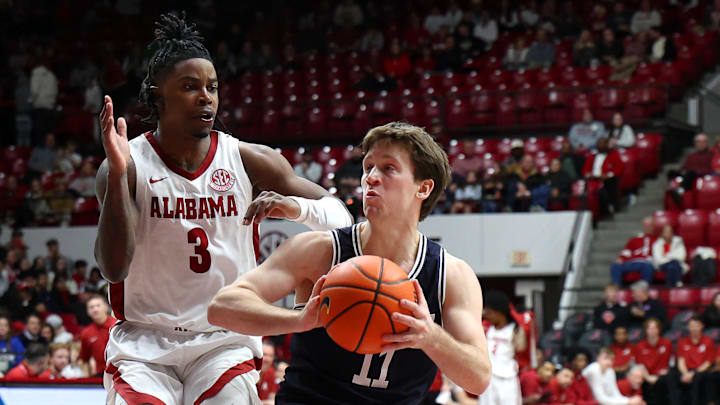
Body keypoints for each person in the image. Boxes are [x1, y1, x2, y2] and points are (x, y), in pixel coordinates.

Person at [96, 12, 353, 405]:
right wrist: (116, 176)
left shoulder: (248, 160)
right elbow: (114, 268)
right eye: (189, 86)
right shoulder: (128, 164)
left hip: (224, 338)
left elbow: (341, 216)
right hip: (143, 343)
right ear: (156, 95)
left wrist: (294, 208)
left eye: (212, 87)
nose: (206, 97)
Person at [207, 122, 491, 403]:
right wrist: (300, 320)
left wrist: (430, 337)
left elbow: (478, 378)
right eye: (368, 167)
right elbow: (222, 308)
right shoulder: (320, 250)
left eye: (388, 168)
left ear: (423, 188)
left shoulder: (450, 275)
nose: (370, 177)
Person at [478, 290, 525, 405]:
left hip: (508, 377)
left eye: (489, 313)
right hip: (489, 377)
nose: (487, 316)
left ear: (499, 312)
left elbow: (521, 348)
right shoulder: (486, 327)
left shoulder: (515, 329)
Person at [668, 315, 715, 405]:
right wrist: (685, 373)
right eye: (692, 326)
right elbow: (681, 361)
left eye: (696, 325)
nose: (694, 328)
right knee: (671, 376)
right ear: (688, 327)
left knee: (698, 377)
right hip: (686, 370)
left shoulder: (708, 341)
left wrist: (693, 374)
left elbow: (708, 362)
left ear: (702, 326)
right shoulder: (682, 341)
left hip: (701, 371)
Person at [634, 318, 672, 405]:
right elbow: (640, 365)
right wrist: (648, 377)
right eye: (649, 328)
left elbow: (671, 362)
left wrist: (665, 371)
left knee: (669, 378)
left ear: (659, 330)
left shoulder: (667, 343)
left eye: (654, 328)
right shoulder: (639, 346)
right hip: (646, 375)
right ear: (646, 330)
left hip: (662, 375)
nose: (652, 331)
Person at [582, 137, 624, 215]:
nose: (601, 145)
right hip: (593, 178)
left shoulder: (614, 154)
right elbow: (585, 170)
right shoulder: (591, 156)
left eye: (603, 143)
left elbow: (619, 168)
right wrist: (589, 175)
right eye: (599, 144)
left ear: (607, 145)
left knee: (610, 184)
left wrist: (608, 175)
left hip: (607, 179)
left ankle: (609, 207)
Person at [610, 217, 656, 285]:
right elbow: (626, 252)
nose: (647, 227)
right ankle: (617, 290)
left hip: (646, 262)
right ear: (643, 226)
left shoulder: (657, 240)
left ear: (653, 227)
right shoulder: (634, 239)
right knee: (615, 266)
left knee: (648, 267)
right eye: (646, 225)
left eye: (650, 225)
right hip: (632, 262)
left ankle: (643, 290)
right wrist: (621, 258)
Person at [79, 295, 115, 377]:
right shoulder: (86, 333)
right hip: (100, 375)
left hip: (120, 371)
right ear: (88, 312)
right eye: (91, 307)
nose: (95, 309)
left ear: (106, 307)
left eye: (98, 306)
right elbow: (84, 358)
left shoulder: (117, 326)